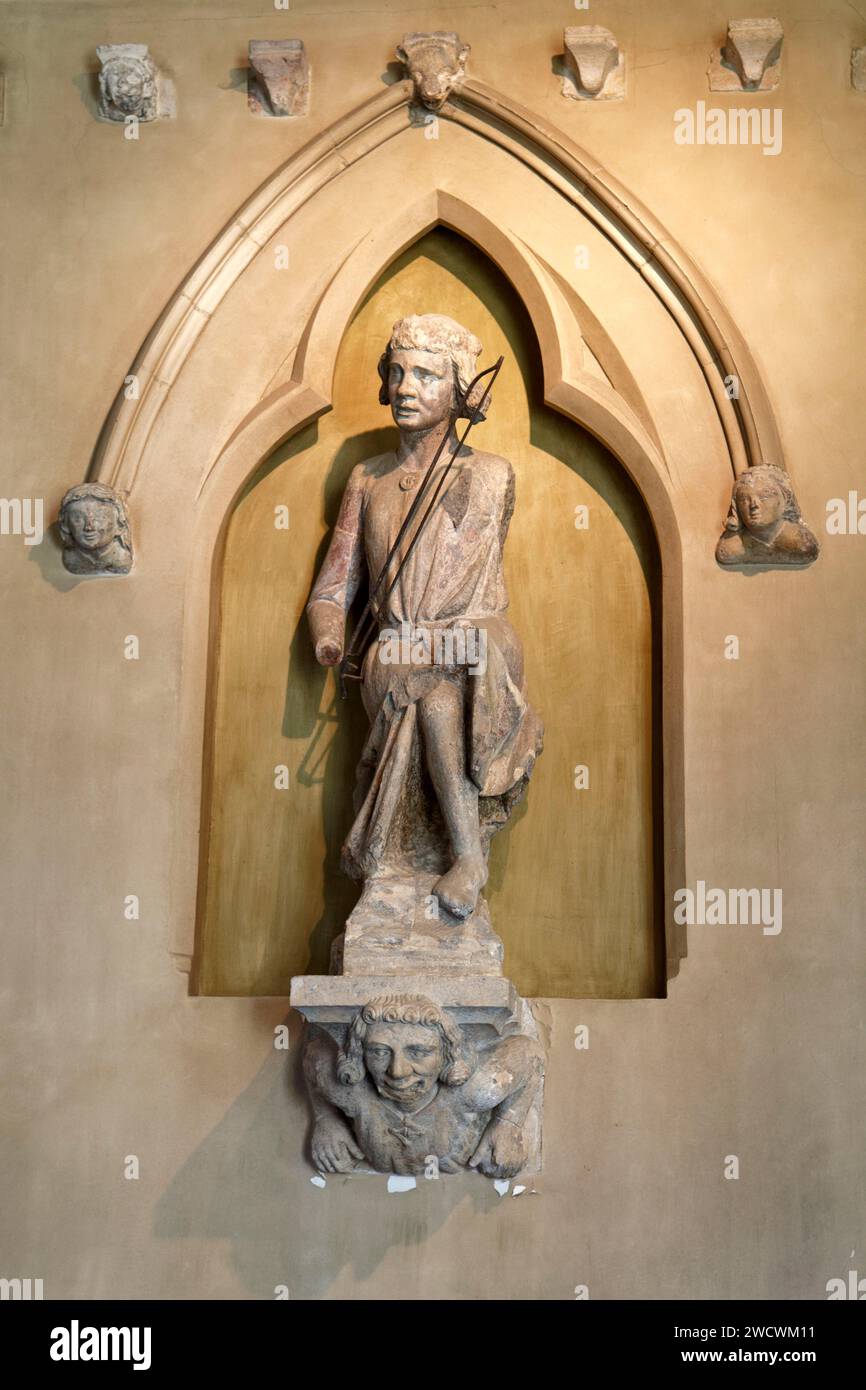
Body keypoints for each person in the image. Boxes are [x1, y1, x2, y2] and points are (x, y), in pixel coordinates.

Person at [307, 314, 543, 921]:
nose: (407, 387)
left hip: (475, 641)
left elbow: (474, 576)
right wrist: (329, 638)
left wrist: (451, 635)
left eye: (428, 375)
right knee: (431, 698)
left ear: (461, 390)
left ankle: (466, 858)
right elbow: (333, 588)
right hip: (399, 646)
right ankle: (465, 857)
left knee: (442, 693)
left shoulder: (491, 475)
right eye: (398, 373)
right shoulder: (367, 479)